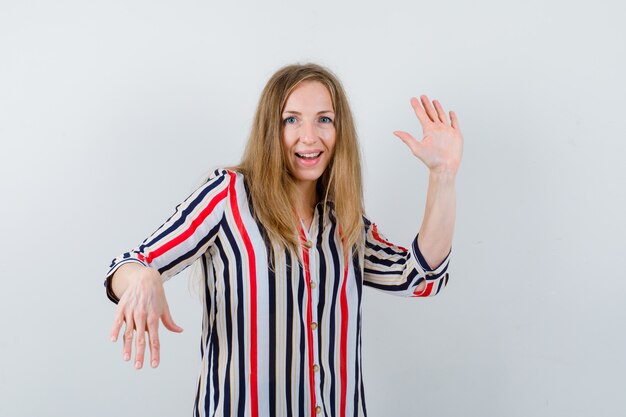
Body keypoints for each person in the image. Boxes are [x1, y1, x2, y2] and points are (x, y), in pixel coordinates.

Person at [104, 62, 463, 417]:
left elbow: (420, 277)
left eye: (324, 119)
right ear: (270, 130)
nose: (309, 136)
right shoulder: (227, 196)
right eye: (291, 119)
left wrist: (442, 176)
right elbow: (130, 264)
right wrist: (144, 277)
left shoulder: (344, 220)